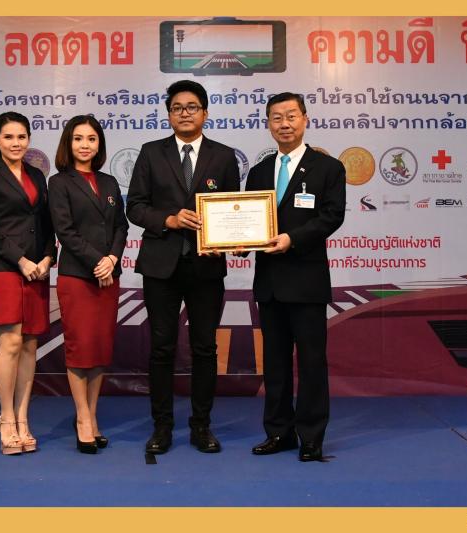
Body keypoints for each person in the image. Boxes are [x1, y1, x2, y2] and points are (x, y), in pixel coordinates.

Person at [126, 80, 240, 454]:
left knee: (205, 348)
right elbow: (135, 207)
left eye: (192, 107)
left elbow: (234, 209)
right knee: (162, 348)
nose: (184, 113)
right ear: (168, 114)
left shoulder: (224, 156)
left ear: (205, 113)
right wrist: (169, 220)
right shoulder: (151, 152)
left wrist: (236, 239)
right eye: (177, 107)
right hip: (161, 266)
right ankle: (162, 427)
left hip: (207, 266)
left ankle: (201, 426)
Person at [244, 92, 346, 461]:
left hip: (306, 281)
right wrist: (240, 244)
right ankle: (279, 433)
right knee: (275, 364)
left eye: (291, 116)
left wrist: (292, 239)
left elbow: (332, 216)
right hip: (270, 283)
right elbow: (249, 221)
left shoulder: (328, 168)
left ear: (305, 119)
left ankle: (312, 436)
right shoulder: (258, 171)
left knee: (312, 363)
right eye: (276, 117)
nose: (284, 124)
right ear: (268, 124)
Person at [0, 111, 56, 455]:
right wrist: (20, 260)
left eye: (21, 136)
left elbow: (48, 224)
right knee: (11, 341)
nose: (16, 143)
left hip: (37, 269)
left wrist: (48, 258)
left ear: (29, 139)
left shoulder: (36, 175)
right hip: (3, 266)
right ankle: (6, 418)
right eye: (8, 137)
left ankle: (23, 418)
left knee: (30, 344)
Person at [48, 115, 128, 454]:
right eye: (78, 138)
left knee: (99, 350)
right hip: (78, 277)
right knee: (80, 349)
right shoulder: (59, 182)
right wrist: (98, 262)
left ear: (99, 144)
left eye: (91, 139)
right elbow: (65, 231)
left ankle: (92, 415)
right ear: (68, 143)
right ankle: (82, 417)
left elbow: (121, 226)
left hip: (109, 277)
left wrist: (112, 258)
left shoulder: (109, 182)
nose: (85, 145)